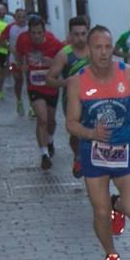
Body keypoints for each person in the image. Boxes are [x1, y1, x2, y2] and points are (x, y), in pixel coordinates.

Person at [64, 26, 130, 260]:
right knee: (98, 211)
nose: (104, 53)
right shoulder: (77, 83)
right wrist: (90, 134)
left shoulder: (129, 76)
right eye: (98, 47)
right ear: (88, 50)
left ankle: (116, 206)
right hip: (94, 153)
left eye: (108, 47)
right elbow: (71, 123)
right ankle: (110, 254)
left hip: (125, 151)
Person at [15, 15, 65, 169]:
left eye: (39, 33)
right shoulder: (23, 40)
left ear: (44, 32)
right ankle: (44, 154)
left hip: (50, 86)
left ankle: (49, 140)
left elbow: (63, 60)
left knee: (51, 120)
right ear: (29, 32)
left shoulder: (54, 43)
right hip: (34, 86)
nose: (36, 36)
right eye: (33, 33)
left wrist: (54, 63)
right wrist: (20, 65)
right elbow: (18, 54)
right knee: (42, 118)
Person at [45, 15, 92, 177]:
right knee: (76, 131)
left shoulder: (94, 50)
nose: (80, 38)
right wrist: (67, 83)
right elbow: (49, 79)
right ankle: (78, 157)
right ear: (70, 35)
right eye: (76, 34)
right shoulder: (64, 54)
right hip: (71, 100)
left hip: (93, 99)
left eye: (83, 34)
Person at [6, 8, 32, 116]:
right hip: (14, 58)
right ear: (15, 18)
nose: (21, 19)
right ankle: (19, 101)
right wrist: (10, 49)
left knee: (30, 81)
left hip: (28, 58)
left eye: (23, 17)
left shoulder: (30, 28)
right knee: (18, 80)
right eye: (19, 17)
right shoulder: (10, 28)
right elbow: (1, 41)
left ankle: (32, 105)